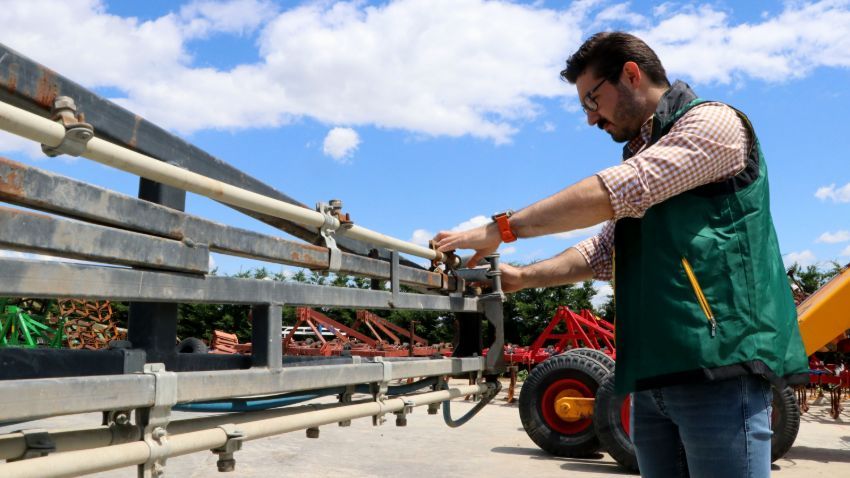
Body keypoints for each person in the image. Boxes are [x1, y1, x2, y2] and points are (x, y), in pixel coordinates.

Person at [433, 31, 808, 477]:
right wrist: (522, 277)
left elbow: (626, 187)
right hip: (650, 377)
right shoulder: (649, 151)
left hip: (718, 370)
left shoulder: (713, 123)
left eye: (592, 101)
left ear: (631, 75)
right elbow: (602, 251)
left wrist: (502, 229)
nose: (592, 119)